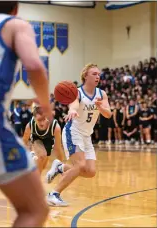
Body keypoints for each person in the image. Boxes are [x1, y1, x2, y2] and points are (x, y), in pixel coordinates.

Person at [0, 2, 52, 227]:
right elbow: (34, 65)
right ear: (16, 8)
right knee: (34, 210)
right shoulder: (15, 25)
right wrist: (45, 104)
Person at [46, 63, 112, 206]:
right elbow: (73, 104)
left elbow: (108, 114)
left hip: (86, 136)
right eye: (94, 74)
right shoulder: (77, 92)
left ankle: (60, 168)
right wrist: (72, 110)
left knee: (90, 172)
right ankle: (53, 194)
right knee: (80, 164)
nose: (98, 76)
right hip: (73, 131)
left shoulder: (102, 94)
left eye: (99, 74)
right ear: (85, 76)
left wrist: (101, 107)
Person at [23, 106, 67, 175]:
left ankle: (35, 174)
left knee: (43, 164)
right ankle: (36, 182)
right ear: (34, 118)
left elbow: (58, 148)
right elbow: (24, 141)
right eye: (39, 120)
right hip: (36, 138)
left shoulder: (56, 127)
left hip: (49, 140)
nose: (42, 123)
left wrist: (60, 166)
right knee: (41, 156)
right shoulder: (29, 126)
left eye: (44, 119)